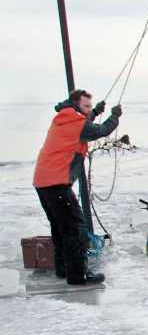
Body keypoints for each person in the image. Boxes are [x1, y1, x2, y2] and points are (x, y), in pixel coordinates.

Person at [33, 89, 122, 285]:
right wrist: (114, 117)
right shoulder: (77, 123)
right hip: (56, 183)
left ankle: (63, 270)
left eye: (91, 106)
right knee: (76, 229)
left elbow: (83, 123)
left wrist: (95, 113)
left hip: (43, 182)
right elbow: (100, 131)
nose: (89, 109)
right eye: (86, 106)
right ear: (76, 105)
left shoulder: (64, 117)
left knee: (60, 228)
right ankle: (78, 275)